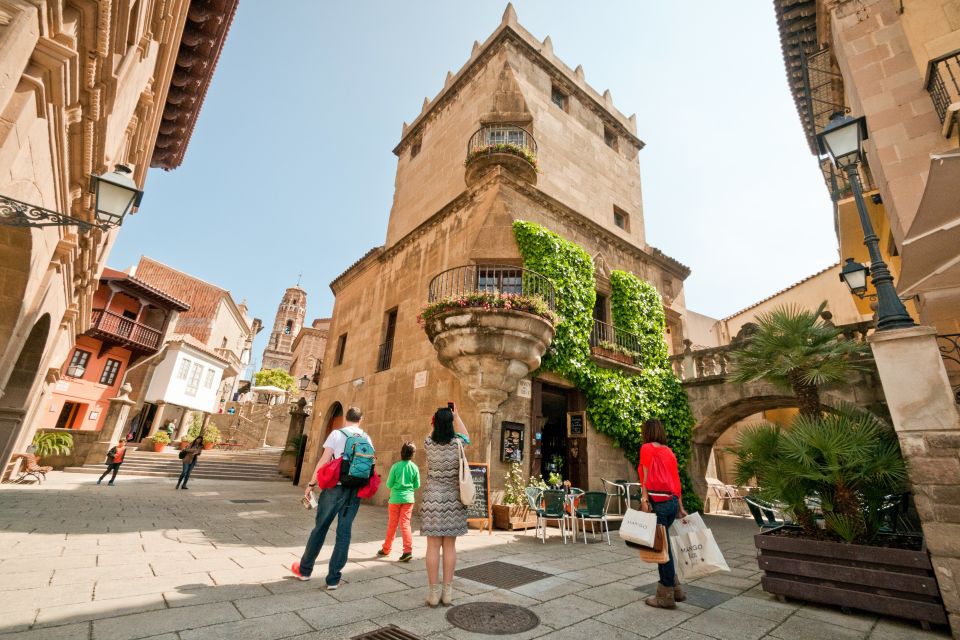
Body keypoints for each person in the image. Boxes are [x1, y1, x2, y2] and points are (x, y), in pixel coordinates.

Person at [291, 406, 372, 589]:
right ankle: (334, 579)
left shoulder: (337, 434)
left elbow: (324, 460)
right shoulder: (367, 438)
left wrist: (311, 483)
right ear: (361, 419)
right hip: (354, 490)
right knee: (344, 533)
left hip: (335, 488)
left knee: (320, 528)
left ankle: (304, 571)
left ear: (346, 418)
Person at [421, 404, 470, 607]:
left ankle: (433, 593)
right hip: (454, 499)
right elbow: (466, 435)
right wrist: (456, 416)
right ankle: (447, 593)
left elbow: (431, 434)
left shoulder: (428, 443)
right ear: (450, 423)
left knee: (432, 546)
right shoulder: (458, 444)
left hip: (432, 498)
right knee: (449, 546)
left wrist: (435, 423)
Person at [638, 418, 687, 609]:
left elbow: (646, 476)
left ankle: (665, 594)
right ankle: (675, 588)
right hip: (672, 502)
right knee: (664, 546)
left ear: (647, 432)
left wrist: (644, 500)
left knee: (661, 549)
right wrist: (680, 507)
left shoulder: (647, 448)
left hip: (657, 503)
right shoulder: (669, 452)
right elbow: (676, 481)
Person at [377, 441, 420, 562]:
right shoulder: (415, 467)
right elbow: (417, 485)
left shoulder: (395, 466)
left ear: (402, 453)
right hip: (408, 499)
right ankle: (407, 551)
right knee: (405, 525)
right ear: (413, 454)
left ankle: (386, 549)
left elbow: (389, 484)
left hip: (395, 499)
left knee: (392, 524)